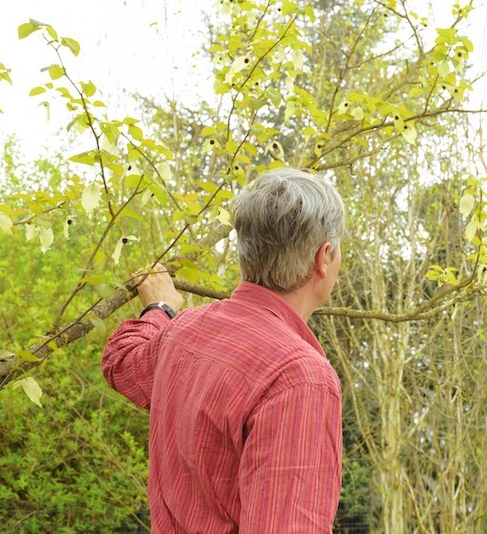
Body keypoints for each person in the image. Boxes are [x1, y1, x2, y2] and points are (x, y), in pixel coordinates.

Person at [102, 167, 346, 533]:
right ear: (323, 258)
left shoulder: (183, 330)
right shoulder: (299, 378)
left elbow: (121, 363)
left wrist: (159, 309)